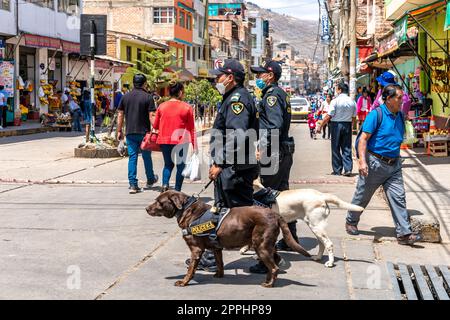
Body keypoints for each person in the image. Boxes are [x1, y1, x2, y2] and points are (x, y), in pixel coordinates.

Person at [186, 59, 259, 272]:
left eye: (220, 75)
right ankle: (211, 258)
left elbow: (237, 135)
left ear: (231, 78)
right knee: (232, 213)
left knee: (237, 215)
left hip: (233, 168)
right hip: (233, 165)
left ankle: (268, 257)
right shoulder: (233, 97)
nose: (216, 79)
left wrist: (220, 162)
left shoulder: (237, 99)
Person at [346, 84, 422, 245]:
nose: (402, 100)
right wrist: (362, 161)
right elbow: (363, 140)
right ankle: (351, 221)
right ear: (388, 99)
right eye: (399, 97)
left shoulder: (400, 115)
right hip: (375, 164)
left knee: (398, 197)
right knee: (363, 195)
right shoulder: (376, 115)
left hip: (394, 164)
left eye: (403, 97)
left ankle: (404, 234)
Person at [247, 60, 296, 273]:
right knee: (282, 194)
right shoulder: (277, 93)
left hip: (274, 150)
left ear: (271, 75)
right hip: (281, 149)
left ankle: (268, 253)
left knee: (267, 199)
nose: (258, 77)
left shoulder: (273, 96)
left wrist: (264, 148)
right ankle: (289, 238)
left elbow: (273, 126)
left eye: (261, 74)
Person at [117, 74, 159, 194]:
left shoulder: (125, 97)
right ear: (144, 84)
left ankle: (133, 185)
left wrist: (119, 131)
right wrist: (157, 129)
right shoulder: (148, 97)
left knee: (132, 157)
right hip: (144, 133)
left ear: (133, 83)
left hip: (130, 132)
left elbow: (120, 114)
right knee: (146, 156)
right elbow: (152, 115)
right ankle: (150, 179)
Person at [153, 81, 197, 193]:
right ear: (180, 92)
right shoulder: (187, 107)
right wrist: (194, 145)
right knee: (181, 167)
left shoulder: (161, 106)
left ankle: (165, 185)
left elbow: (155, 125)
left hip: (165, 141)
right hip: (181, 141)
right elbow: (192, 128)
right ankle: (177, 190)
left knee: (168, 165)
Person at [317, 82, 356, 176]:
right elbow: (354, 117)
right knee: (347, 147)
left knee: (335, 147)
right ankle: (348, 169)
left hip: (336, 125)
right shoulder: (352, 101)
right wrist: (352, 127)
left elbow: (329, 115)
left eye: (337, 89)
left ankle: (337, 170)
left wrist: (320, 126)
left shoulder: (335, 101)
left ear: (340, 90)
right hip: (347, 124)